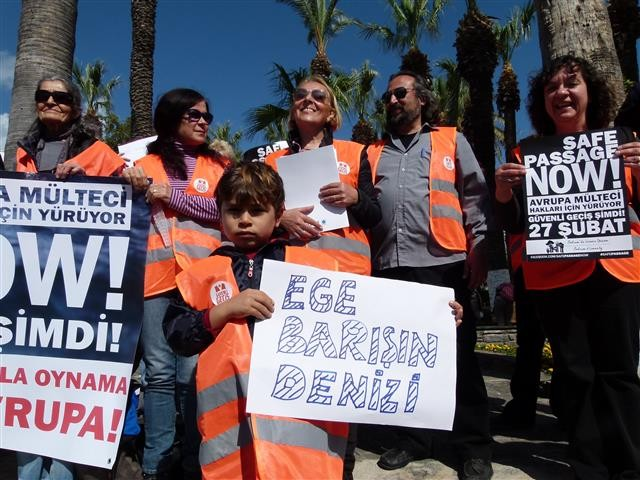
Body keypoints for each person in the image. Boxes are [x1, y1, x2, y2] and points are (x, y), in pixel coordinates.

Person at [164, 162, 466, 479]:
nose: (245, 220)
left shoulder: (314, 267)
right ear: (220, 214)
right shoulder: (202, 274)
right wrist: (222, 311)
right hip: (231, 437)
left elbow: (369, 313)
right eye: (234, 211)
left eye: (256, 210)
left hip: (300, 439)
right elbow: (178, 334)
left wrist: (433, 317)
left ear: (279, 214)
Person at [495, 55, 640, 479]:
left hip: (617, 274)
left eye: (571, 83)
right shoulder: (527, 153)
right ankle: (588, 467)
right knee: (575, 375)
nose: (561, 92)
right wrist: (504, 193)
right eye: (551, 87)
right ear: (543, 102)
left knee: (619, 373)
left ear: (589, 92)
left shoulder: (625, 142)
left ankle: (630, 466)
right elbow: (512, 224)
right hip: (555, 279)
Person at [366, 70, 493, 480]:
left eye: (400, 93)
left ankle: (472, 446)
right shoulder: (372, 153)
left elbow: (475, 197)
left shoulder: (449, 140)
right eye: (387, 96)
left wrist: (479, 250)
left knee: (458, 358)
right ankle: (413, 439)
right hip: (388, 265)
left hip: (443, 263)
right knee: (402, 358)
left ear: (421, 98)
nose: (392, 101)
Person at [15, 76, 125, 480]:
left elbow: (129, 196)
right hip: (28, 280)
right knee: (26, 382)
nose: (50, 102)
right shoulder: (22, 153)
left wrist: (95, 180)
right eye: (42, 95)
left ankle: (59, 469)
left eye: (60, 97)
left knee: (70, 383)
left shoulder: (100, 152)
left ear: (75, 107)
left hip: (83, 283)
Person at [122, 88, 229, 480]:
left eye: (206, 117)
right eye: (193, 115)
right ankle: (156, 464)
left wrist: (173, 195)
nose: (203, 122)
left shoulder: (219, 165)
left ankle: (193, 461)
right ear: (171, 119)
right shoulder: (140, 162)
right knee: (159, 374)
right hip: (156, 279)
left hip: (202, 280)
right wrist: (129, 181)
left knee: (193, 374)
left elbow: (228, 211)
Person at [264, 74, 381, 276]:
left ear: (331, 114)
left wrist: (356, 197)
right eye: (300, 95)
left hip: (348, 270)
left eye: (318, 96)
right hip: (291, 271)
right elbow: (256, 216)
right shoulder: (271, 161)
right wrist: (279, 219)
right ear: (293, 109)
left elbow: (375, 216)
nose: (308, 99)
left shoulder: (354, 152)